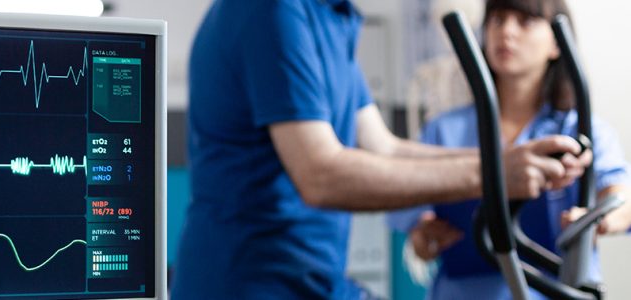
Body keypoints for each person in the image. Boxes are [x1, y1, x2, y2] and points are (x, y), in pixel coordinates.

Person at [171, 0, 592, 298]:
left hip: (312, 278)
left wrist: (505, 163)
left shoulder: (333, 15)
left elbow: (384, 148)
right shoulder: (273, 10)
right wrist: (496, 174)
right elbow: (320, 175)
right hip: (249, 282)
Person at [387, 0, 631, 299]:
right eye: (498, 20)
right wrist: (425, 239)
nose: (506, 32)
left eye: (525, 21)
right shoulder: (444, 129)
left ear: (557, 43)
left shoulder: (581, 129)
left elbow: (622, 199)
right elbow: (416, 230)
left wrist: (597, 219)